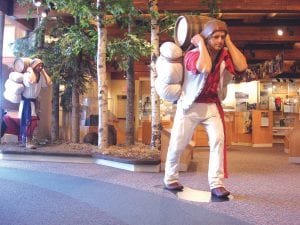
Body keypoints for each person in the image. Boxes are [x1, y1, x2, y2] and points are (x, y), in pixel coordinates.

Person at [163, 19, 247, 198]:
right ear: (207, 38)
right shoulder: (193, 54)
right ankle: (170, 178)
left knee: (218, 141)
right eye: (215, 37)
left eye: (222, 37)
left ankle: (216, 184)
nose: (219, 41)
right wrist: (200, 43)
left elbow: (242, 66)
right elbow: (205, 67)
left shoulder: (225, 55)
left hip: (211, 105)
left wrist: (229, 42)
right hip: (189, 105)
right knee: (178, 143)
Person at [2, 58, 52, 149]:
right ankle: (27, 142)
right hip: (26, 103)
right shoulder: (27, 75)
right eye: (38, 65)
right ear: (33, 66)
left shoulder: (40, 76)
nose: (40, 67)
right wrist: (30, 70)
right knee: (28, 122)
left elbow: (49, 83)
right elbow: (32, 81)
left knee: (32, 122)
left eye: (41, 66)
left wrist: (44, 72)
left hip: (33, 103)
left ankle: (25, 140)